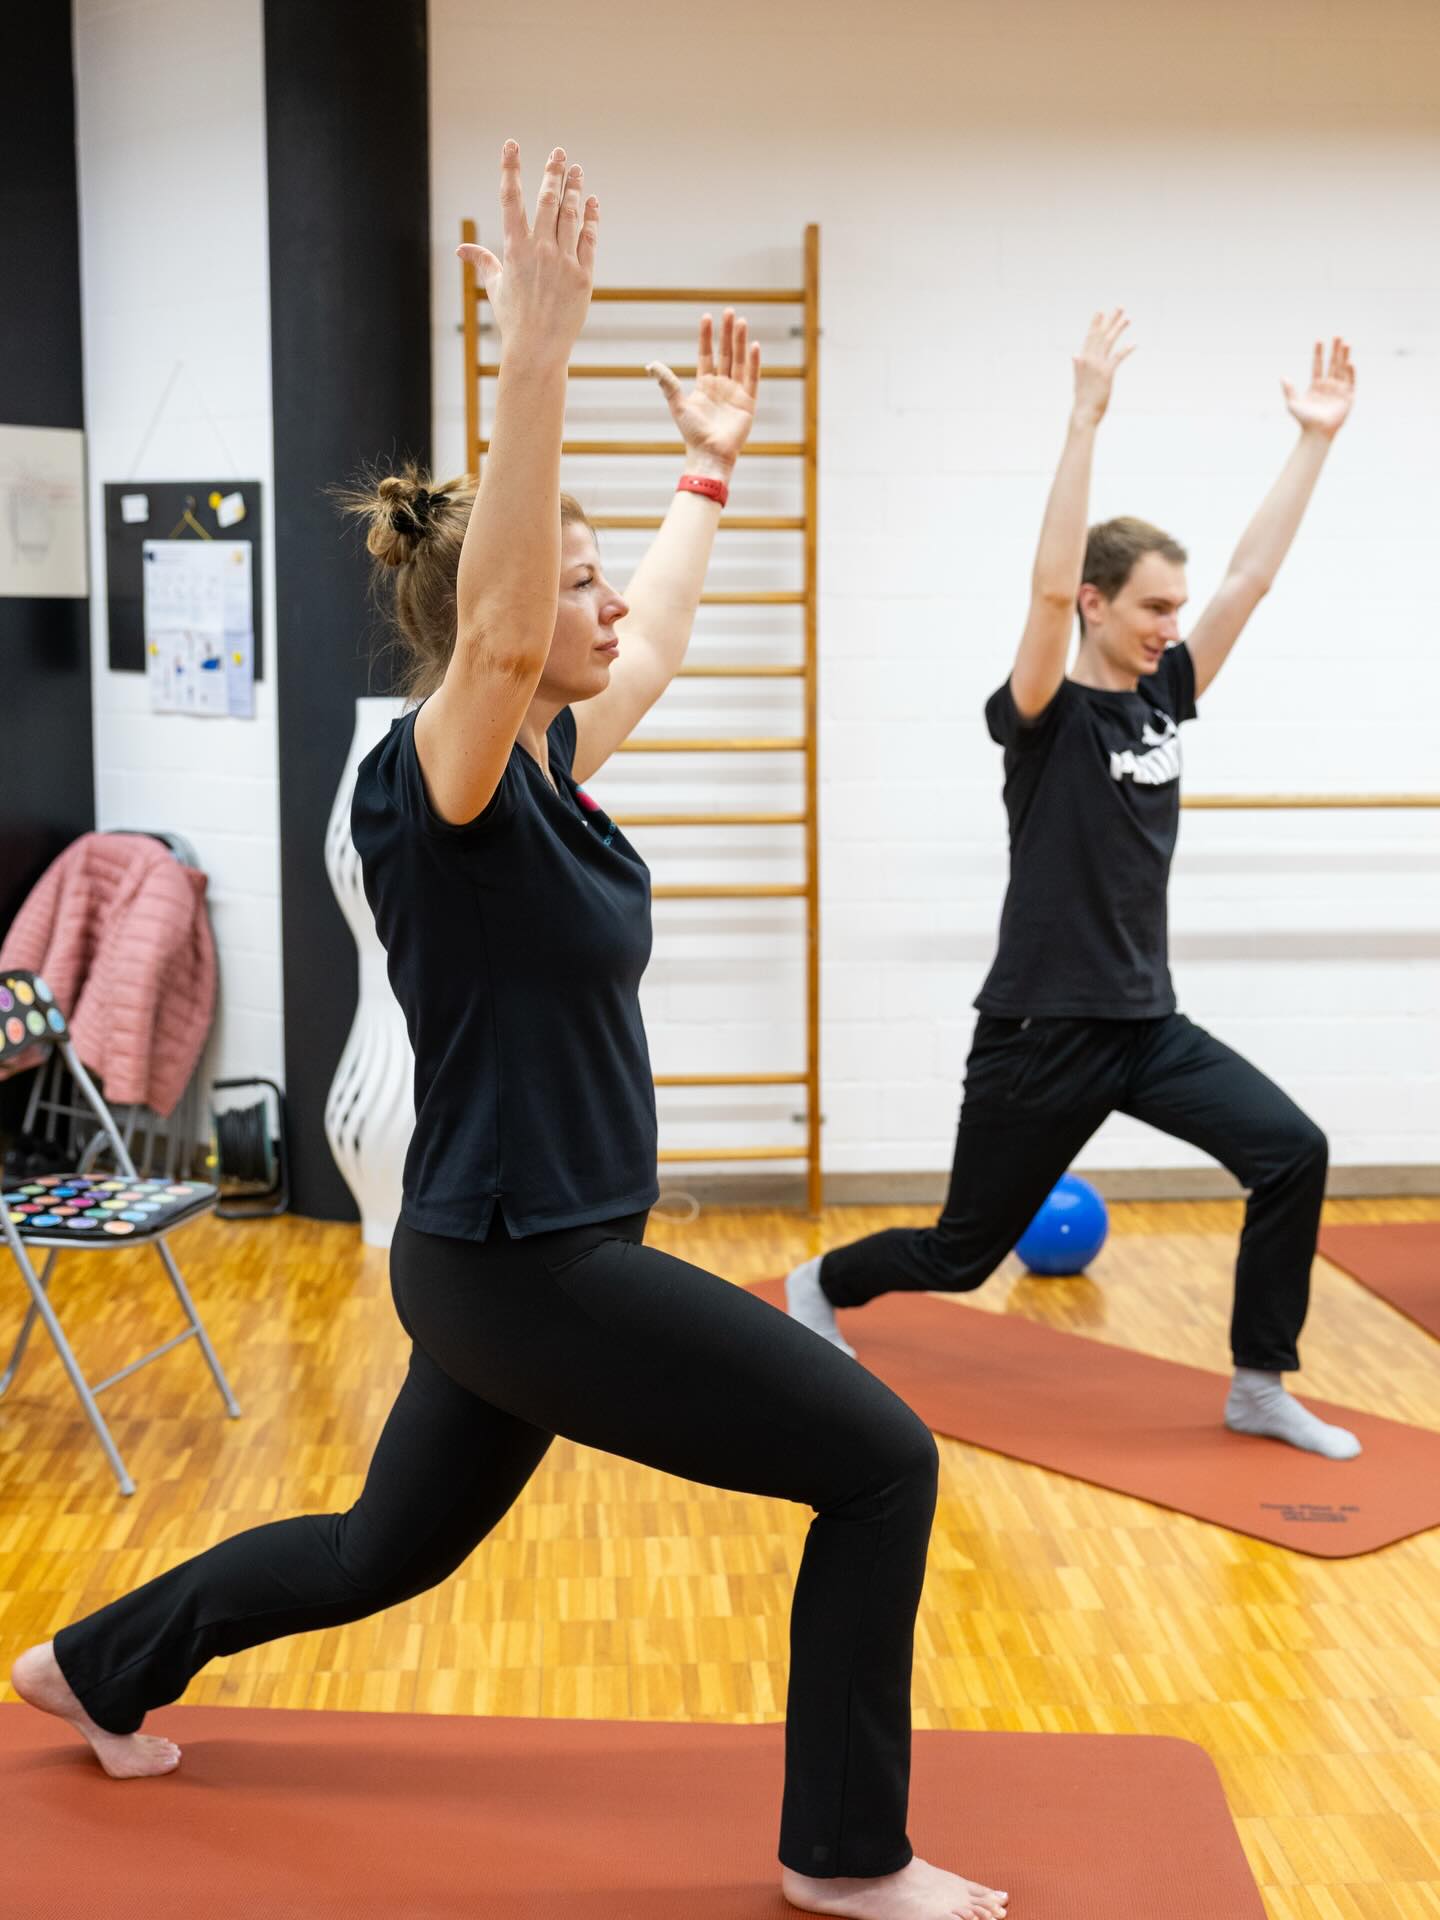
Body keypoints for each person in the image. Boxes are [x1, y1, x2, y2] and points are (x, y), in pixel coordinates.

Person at [12, 145, 1008, 1920]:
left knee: (376, 1552)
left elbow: (661, 635)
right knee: (882, 1465)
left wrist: (710, 466)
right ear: (504, 614)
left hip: (505, 1256)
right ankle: (845, 1857)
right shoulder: (443, 776)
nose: (608, 607)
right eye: (579, 583)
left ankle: (92, 1664)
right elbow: (493, 633)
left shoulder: (546, 757)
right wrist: (538, 348)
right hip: (528, 1263)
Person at [788, 310, 1361, 1463]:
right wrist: (1084, 419)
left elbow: (1250, 579)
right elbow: (1046, 595)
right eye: (1153, 606)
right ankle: (821, 1285)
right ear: (1100, 603)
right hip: (1041, 1032)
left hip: (1147, 1025)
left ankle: (1259, 1383)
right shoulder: (1045, 715)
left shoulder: (1166, 696)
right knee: (961, 1254)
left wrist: (1315, 440)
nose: (1171, 626)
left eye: (1175, 609)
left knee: (1292, 1150)